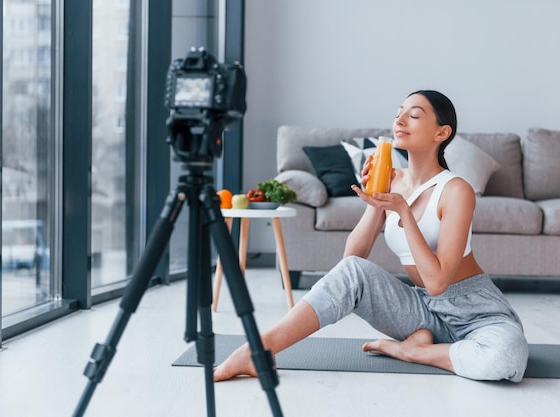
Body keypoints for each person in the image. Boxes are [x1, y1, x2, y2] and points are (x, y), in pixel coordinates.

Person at [214, 90, 529, 382]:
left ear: (441, 133)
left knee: (505, 360)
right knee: (352, 273)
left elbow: (437, 283)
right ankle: (257, 351)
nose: (400, 121)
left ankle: (414, 350)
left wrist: (404, 213)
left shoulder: (456, 190)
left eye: (414, 115)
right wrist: (376, 202)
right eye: (398, 113)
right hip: (424, 310)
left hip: (476, 313)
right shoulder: (394, 181)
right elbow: (351, 263)